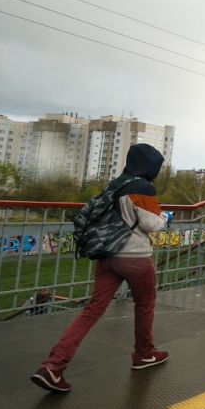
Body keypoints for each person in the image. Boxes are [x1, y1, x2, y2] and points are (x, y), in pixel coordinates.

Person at [30, 143, 171, 393]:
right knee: (145, 303)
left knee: (92, 309)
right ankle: (144, 354)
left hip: (106, 255)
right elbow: (152, 224)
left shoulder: (115, 184)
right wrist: (167, 217)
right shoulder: (143, 187)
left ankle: (53, 366)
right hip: (134, 256)